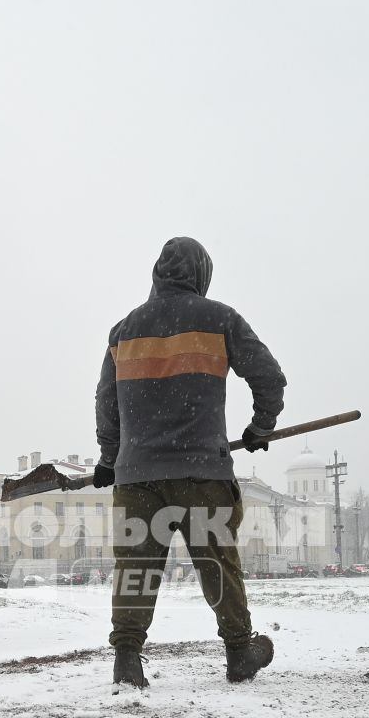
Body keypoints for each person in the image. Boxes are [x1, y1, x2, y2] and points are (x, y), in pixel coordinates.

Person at [95, 236, 285, 688]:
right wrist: (261, 426)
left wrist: (109, 458)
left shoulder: (124, 331)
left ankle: (127, 659)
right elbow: (269, 376)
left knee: (136, 569)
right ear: (201, 273)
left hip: (138, 479)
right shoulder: (219, 319)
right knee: (217, 564)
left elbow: (107, 402)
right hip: (203, 474)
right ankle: (239, 651)